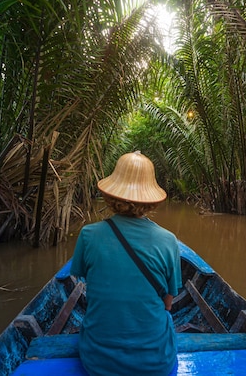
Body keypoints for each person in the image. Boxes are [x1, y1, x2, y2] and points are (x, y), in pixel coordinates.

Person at [70, 151, 182, 376]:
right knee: (166, 317)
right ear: (151, 201)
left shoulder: (88, 235)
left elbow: (83, 283)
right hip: (157, 365)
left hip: (97, 363)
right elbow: (167, 304)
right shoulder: (169, 241)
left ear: (111, 196)